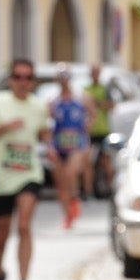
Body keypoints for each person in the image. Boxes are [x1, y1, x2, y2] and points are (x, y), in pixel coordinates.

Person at [0, 57, 52, 280]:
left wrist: (52, 146)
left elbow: (44, 134)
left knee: (24, 226)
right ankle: (0, 274)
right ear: (10, 80)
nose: (23, 82)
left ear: (33, 81)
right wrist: (4, 128)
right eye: (18, 77)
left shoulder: (39, 106)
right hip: (0, 178)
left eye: (28, 77)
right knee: (1, 235)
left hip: (28, 174)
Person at [50, 66, 94, 229]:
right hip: (59, 143)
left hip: (77, 142)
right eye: (60, 77)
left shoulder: (81, 97)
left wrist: (87, 127)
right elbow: (48, 122)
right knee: (61, 183)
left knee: (71, 173)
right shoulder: (53, 101)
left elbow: (92, 114)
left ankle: (75, 198)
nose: (63, 80)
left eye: (66, 76)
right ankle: (67, 215)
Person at [82, 64, 114, 198]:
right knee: (88, 161)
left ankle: (110, 188)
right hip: (89, 131)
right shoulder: (86, 89)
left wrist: (97, 103)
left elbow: (111, 106)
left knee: (105, 161)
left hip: (103, 129)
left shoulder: (104, 89)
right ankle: (88, 191)